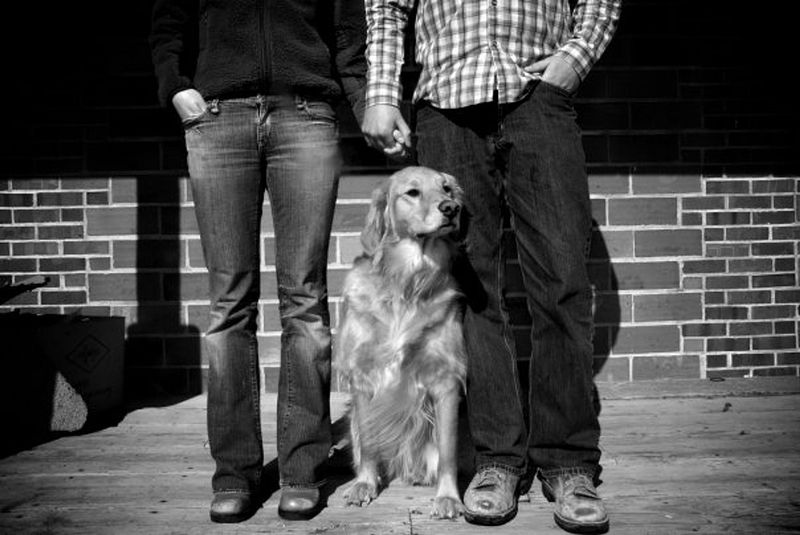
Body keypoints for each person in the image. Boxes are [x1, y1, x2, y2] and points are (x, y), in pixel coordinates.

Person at [361, 0, 621, 533]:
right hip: (448, 100)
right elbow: (385, 6)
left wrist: (576, 55)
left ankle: (568, 460)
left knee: (564, 282)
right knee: (473, 293)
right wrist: (383, 93)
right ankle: (497, 459)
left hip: (537, 95)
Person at [149, 0, 366, 523]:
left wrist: (359, 99)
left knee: (305, 300)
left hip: (306, 115)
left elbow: (349, 27)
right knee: (229, 306)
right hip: (218, 116)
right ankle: (235, 474)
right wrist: (175, 84)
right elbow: (167, 18)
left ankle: (302, 469)